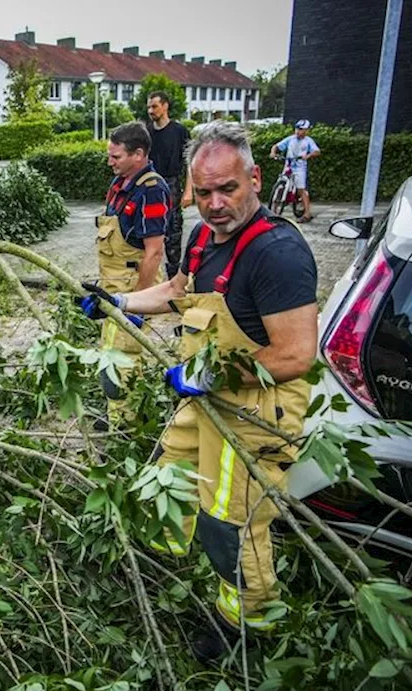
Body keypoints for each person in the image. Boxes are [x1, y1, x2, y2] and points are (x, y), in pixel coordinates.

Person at [78, 122, 318, 662]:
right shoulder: (204, 237)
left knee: (228, 524)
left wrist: (214, 376)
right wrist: (120, 303)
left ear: (255, 179)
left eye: (227, 189)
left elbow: (295, 354)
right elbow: (177, 292)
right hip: (204, 397)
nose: (214, 203)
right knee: (167, 475)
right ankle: (169, 573)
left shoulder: (277, 254)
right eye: (203, 192)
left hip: (254, 412)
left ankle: (247, 629)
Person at [94, 122, 172, 427]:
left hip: (132, 286)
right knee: (120, 353)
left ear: (139, 154)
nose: (110, 161)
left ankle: (122, 426)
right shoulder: (121, 185)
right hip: (114, 284)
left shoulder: (151, 191)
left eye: (116, 156)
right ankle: (129, 411)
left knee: (119, 356)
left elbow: (154, 252)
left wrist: (137, 300)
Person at [143, 91, 194, 279]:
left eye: (154, 106)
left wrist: (189, 191)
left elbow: (190, 162)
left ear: (165, 106)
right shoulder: (146, 132)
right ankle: (150, 276)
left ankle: (174, 281)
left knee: (173, 233)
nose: (150, 110)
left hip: (171, 184)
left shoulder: (179, 131)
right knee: (148, 229)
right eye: (148, 106)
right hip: (149, 183)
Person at [268, 119, 320, 223]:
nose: (298, 131)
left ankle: (307, 214)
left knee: (301, 190)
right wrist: (273, 153)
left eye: (301, 129)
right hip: (288, 166)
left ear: (306, 131)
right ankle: (273, 211)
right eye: (297, 128)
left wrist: (308, 155)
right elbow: (276, 146)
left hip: (300, 168)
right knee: (280, 186)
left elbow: (317, 151)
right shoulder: (290, 139)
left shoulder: (308, 141)